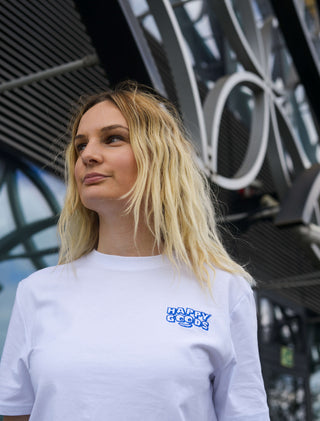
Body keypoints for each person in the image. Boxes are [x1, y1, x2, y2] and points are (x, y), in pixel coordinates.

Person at [0, 81, 270, 420]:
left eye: (113, 138)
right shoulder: (36, 293)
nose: (87, 155)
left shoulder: (224, 290)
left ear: (159, 157)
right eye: (80, 145)